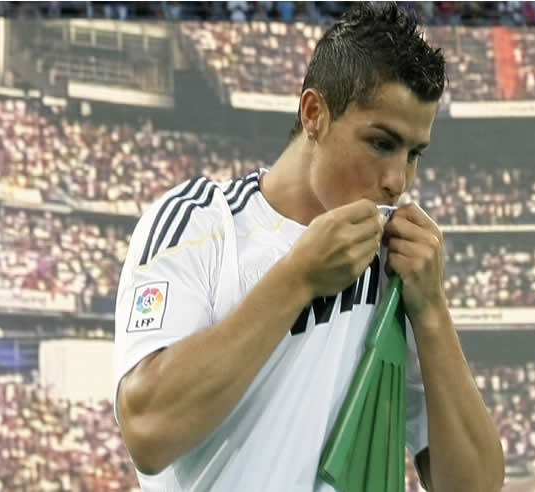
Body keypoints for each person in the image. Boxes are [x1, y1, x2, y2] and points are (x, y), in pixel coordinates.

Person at [112, 3, 505, 491]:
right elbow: (148, 433)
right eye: (381, 143)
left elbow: (475, 487)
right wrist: (298, 276)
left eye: (414, 154)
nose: (397, 180)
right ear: (314, 113)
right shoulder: (201, 222)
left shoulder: (396, 263)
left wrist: (432, 312)